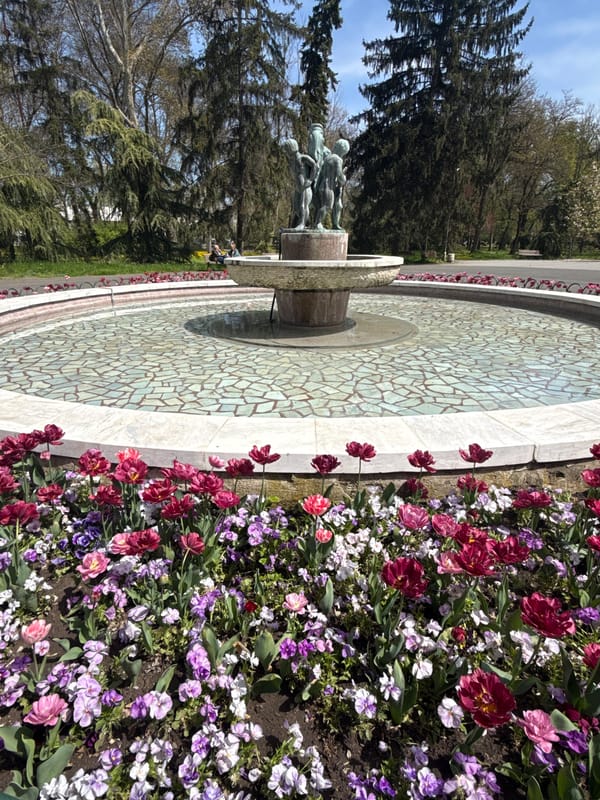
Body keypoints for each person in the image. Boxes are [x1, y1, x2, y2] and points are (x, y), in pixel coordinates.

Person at [313, 138, 350, 231]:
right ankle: (317, 224)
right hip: (328, 187)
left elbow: (321, 174)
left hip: (321, 186)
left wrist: (316, 187)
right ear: (342, 150)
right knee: (327, 205)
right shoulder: (338, 159)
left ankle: (316, 223)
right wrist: (344, 178)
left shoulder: (327, 158)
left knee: (322, 206)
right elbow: (339, 175)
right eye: (344, 153)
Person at [282, 138, 317, 230]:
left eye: (287, 149)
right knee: (296, 207)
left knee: (303, 205)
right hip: (297, 187)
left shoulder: (303, 158)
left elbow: (314, 165)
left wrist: (310, 180)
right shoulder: (292, 161)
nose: (286, 152)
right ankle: (304, 223)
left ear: (291, 148)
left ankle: (302, 223)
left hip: (305, 187)